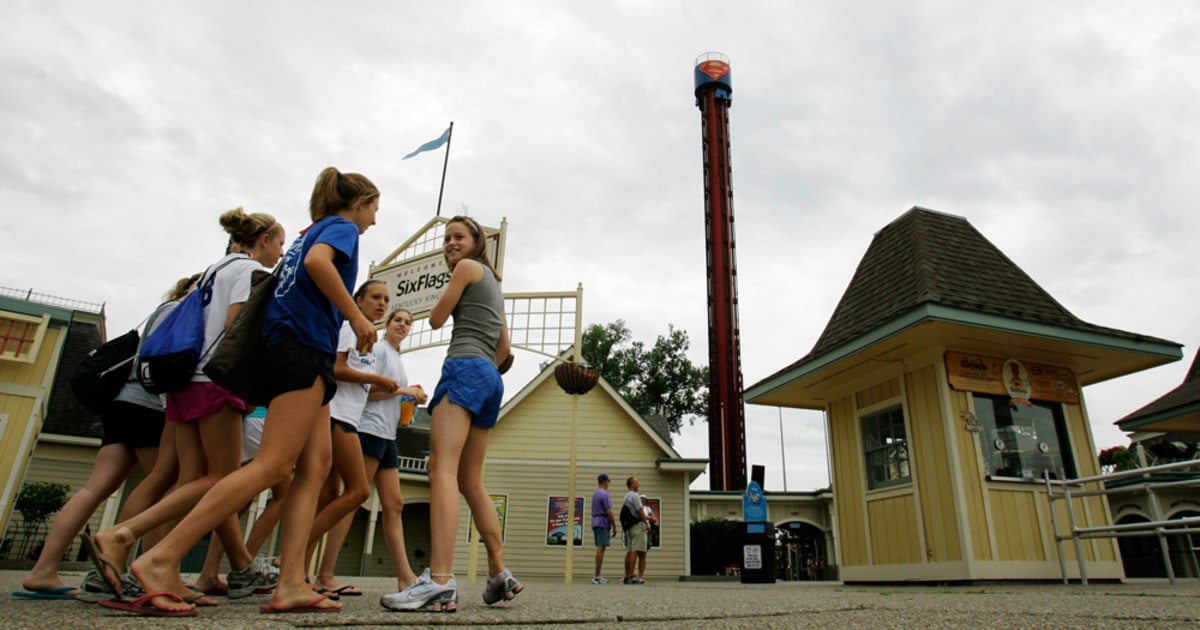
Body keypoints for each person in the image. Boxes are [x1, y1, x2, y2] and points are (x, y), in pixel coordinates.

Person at [117, 167, 381, 616]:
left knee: (313, 468)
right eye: (374, 208)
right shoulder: (340, 228)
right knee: (271, 464)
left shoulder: (303, 235)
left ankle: (292, 581)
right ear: (358, 204)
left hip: (285, 347)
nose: (375, 219)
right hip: (304, 348)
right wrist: (355, 317)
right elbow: (320, 264)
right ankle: (160, 558)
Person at [87, 210, 286, 605]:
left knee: (189, 478)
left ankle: (164, 572)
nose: (280, 253)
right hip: (214, 382)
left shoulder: (213, 270)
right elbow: (236, 329)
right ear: (263, 238)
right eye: (278, 244)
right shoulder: (247, 271)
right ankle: (120, 535)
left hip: (181, 381)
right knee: (222, 480)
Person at [13, 276, 194, 600]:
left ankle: (43, 570)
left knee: (95, 487)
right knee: (163, 488)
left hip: (122, 404)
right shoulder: (177, 310)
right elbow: (162, 365)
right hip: (148, 407)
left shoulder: (161, 311)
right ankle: (154, 573)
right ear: (186, 289)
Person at [381, 215, 516, 613]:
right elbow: (505, 350)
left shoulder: (465, 269)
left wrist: (450, 293)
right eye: (446, 239)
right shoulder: (495, 285)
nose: (450, 244)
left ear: (476, 242)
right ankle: (499, 571)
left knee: (440, 468)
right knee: (470, 481)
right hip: (490, 378)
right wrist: (483, 367)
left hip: (462, 367)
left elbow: (438, 319)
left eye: (458, 237)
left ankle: (439, 580)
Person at [305, 279, 398, 597]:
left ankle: (308, 573)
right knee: (358, 490)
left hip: (350, 418)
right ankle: (292, 554)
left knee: (331, 493)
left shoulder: (369, 339)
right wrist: (377, 378)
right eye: (375, 297)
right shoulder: (348, 327)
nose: (382, 303)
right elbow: (337, 368)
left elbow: (359, 383)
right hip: (335, 415)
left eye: (386, 299)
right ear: (358, 301)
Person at [329, 307, 426, 595]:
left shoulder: (397, 358)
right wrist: (405, 392)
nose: (403, 325)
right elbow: (368, 391)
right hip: (368, 430)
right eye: (398, 320)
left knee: (394, 505)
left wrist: (408, 399)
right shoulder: (380, 350)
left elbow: (389, 394)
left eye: (407, 323)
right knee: (353, 498)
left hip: (388, 435)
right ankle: (324, 572)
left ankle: (406, 577)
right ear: (387, 324)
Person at [622, 476, 649, 585]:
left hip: (629, 526)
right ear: (632, 484)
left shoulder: (626, 497)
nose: (639, 484)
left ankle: (627, 575)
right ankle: (632, 575)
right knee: (636, 550)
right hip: (637, 525)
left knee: (629, 550)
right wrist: (646, 523)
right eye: (637, 482)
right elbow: (640, 510)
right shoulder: (635, 496)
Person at [590, 473, 615, 584]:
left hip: (595, 521)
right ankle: (597, 575)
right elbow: (609, 511)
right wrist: (614, 525)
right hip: (602, 522)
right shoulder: (604, 494)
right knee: (601, 548)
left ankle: (598, 574)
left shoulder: (595, 493)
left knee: (600, 548)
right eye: (607, 482)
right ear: (605, 482)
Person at [637, 493, 657, 582]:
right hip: (637, 531)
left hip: (646, 531)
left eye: (644, 499)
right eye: (641, 499)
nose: (643, 500)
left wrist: (646, 517)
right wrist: (647, 517)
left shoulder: (648, 509)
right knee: (634, 552)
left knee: (643, 554)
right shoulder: (636, 508)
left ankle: (640, 576)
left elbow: (654, 519)